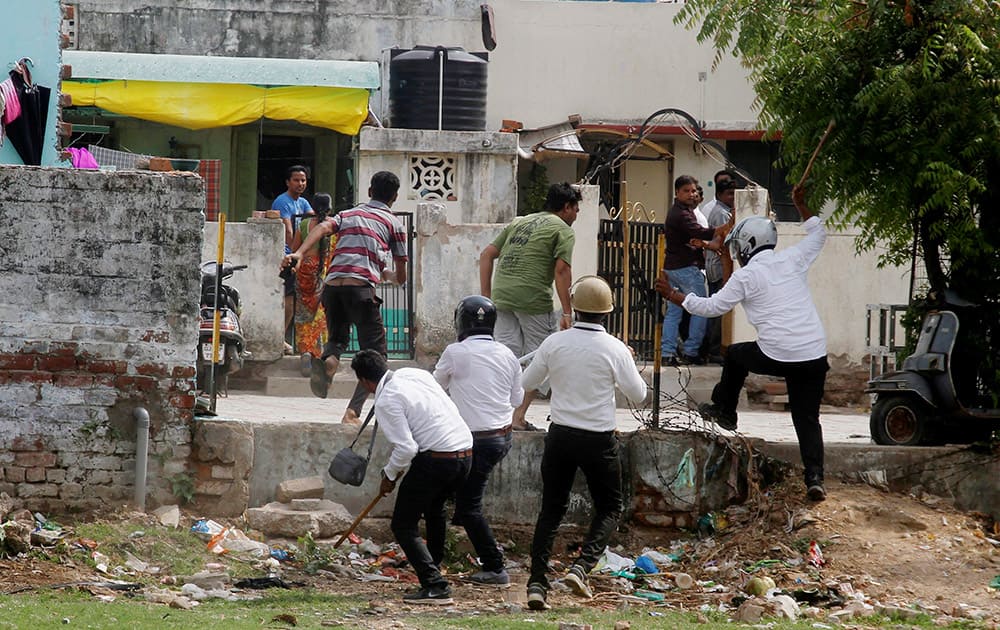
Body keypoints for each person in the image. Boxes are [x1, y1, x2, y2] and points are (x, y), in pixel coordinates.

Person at [656, 184, 830, 501]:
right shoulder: (792, 258)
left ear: (748, 245)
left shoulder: (746, 277)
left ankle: (725, 410)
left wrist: (675, 296)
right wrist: (802, 205)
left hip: (777, 353)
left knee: (735, 355)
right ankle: (815, 478)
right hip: (815, 353)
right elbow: (818, 235)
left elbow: (713, 306)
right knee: (807, 418)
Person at [522, 276, 648, 611]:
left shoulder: (555, 343)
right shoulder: (615, 349)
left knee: (551, 509)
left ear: (575, 309)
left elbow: (527, 382)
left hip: (560, 435)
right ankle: (582, 567)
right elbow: (638, 395)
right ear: (607, 312)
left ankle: (536, 584)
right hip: (598, 439)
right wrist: (628, 362)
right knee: (610, 507)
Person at [283, 171, 408, 425]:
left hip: (333, 287)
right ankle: (352, 412)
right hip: (360, 289)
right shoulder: (394, 224)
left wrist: (298, 253)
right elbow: (401, 273)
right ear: (395, 197)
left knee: (338, 339)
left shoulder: (349, 214)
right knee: (376, 356)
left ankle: (330, 362)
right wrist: (393, 277)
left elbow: (323, 227)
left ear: (370, 192)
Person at [352, 349, 473, 605]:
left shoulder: (386, 400)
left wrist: (389, 475)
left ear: (363, 382)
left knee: (403, 524)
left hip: (438, 458)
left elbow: (407, 448)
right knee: (434, 508)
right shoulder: (413, 374)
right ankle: (433, 562)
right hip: (465, 452)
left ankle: (434, 584)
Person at [433, 296, 524, 586]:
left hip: (472, 443)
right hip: (501, 438)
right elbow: (516, 399)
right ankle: (438, 553)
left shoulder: (455, 352)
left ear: (461, 322)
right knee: (459, 499)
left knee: (467, 505)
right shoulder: (508, 354)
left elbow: (436, 388)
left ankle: (495, 567)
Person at [479, 182, 581, 429]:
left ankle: (498, 417)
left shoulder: (519, 221)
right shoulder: (563, 229)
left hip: (501, 298)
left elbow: (486, 254)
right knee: (540, 358)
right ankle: (517, 417)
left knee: (506, 357)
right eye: (576, 209)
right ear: (566, 207)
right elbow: (562, 270)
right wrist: (567, 312)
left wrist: (487, 298)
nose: (577, 215)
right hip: (533, 299)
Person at [661, 175, 720, 365]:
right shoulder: (682, 214)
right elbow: (699, 231)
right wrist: (724, 229)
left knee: (674, 312)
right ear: (677, 193)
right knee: (700, 309)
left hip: (673, 268)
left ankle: (667, 352)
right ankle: (691, 351)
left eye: (693, 190)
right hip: (686, 268)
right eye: (686, 191)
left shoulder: (682, 211)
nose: (691, 194)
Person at [290, 192, 335, 376]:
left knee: (303, 314)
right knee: (321, 314)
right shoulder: (335, 226)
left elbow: (295, 250)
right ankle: (320, 353)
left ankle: (306, 352)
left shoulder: (304, 225)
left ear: (313, 208)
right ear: (330, 208)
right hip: (327, 273)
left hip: (305, 273)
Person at [273, 165, 313, 353]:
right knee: (289, 300)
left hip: (295, 256)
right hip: (287, 257)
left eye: (303, 180)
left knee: (294, 300)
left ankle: (288, 339)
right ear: (288, 182)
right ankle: (279, 337)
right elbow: (288, 231)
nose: (300, 183)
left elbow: (314, 220)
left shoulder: (303, 202)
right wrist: (296, 253)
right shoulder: (283, 201)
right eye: (296, 180)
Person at [701, 177, 737, 363]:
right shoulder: (722, 214)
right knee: (717, 309)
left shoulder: (724, 211)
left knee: (717, 307)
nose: (732, 197)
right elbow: (724, 241)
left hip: (717, 265)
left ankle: (712, 348)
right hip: (719, 267)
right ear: (720, 194)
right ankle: (714, 349)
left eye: (734, 193)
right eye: (729, 193)